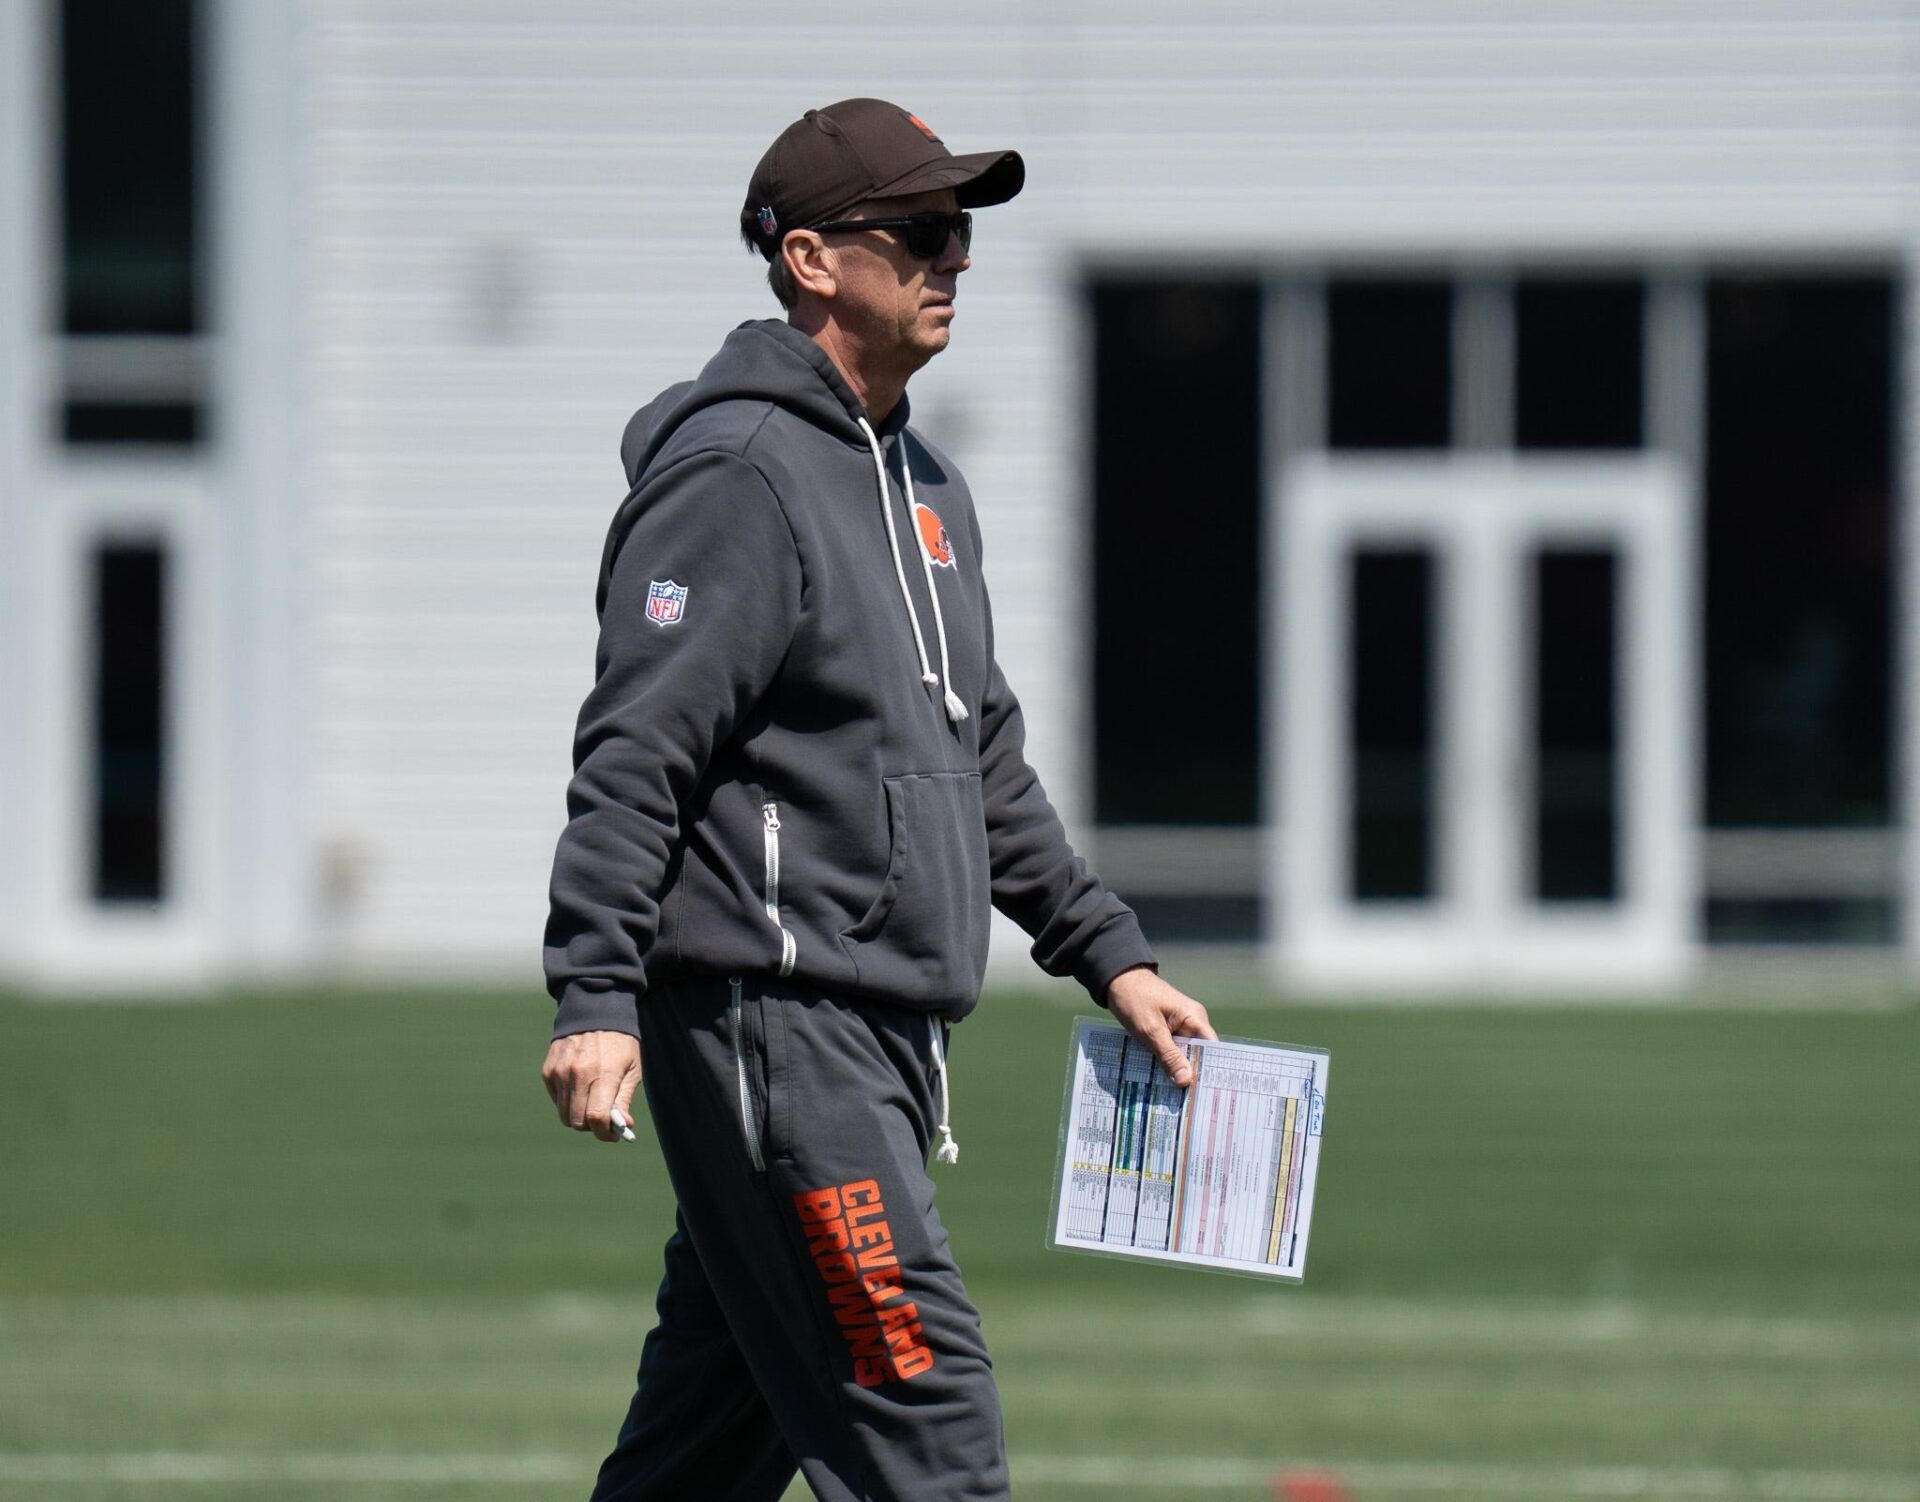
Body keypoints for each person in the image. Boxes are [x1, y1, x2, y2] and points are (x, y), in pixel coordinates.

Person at [539, 97, 1215, 1502]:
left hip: (880, 1033)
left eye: (959, 229)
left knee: (699, 1454)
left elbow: (980, 758)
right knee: (923, 1414)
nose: (952, 256)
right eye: (917, 230)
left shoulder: (926, 484)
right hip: (779, 1022)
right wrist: (595, 993)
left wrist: (1112, 955)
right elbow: (635, 751)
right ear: (809, 260)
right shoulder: (736, 474)